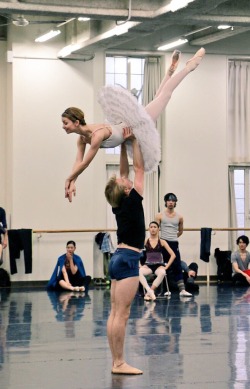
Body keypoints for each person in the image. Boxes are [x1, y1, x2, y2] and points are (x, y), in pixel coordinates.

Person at [62, 48, 206, 202]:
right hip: (128, 128)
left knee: (164, 96)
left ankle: (189, 67)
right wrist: (72, 181)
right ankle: (170, 71)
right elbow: (78, 162)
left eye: (66, 123)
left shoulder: (97, 135)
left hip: (133, 125)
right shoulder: (81, 140)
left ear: (77, 122)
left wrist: (68, 179)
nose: (63, 126)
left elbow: (85, 163)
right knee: (158, 99)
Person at [104, 131, 145, 375]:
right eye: (124, 182)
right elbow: (138, 168)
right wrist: (135, 141)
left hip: (117, 258)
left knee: (115, 312)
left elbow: (123, 174)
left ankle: (116, 361)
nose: (126, 179)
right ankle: (119, 363)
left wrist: (121, 146)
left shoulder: (119, 204)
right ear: (126, 190)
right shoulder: (132, 200)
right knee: (123, 313)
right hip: (128, 258)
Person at [155, 193, 192, 297]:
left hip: (174, 243)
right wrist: (159, 242)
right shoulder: (159, 215)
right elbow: (156, 230)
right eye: (169, 200)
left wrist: (173, 238)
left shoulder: (179, 217)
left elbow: (180, 231)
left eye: (173, 200)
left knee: (177, 266)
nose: (170, 202)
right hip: (162, 243)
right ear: (166, 202)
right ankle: (161, 289)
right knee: (161, 265)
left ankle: (182, 290)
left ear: (175, 202)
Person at [139, 221, 176, 301]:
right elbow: (136, 252)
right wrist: (139, 265)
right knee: (139, 272)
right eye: (151, 227)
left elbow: (173, 255)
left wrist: (166, 267)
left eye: (155, 227)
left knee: (162, 272)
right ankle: (149, 291)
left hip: (159, 265)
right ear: (149, 229)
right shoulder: (145, 241)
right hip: (148, 265)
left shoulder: (162, 241)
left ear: (158, 229)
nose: (153, 229)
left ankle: (149, 292)